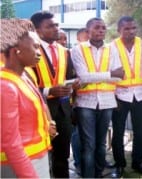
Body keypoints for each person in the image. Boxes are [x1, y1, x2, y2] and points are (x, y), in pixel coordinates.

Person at [0, 18, 54, 178]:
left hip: (37, 156)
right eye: (35, 47)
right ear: (16, 50)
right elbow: (11, 143)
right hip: (21, 165)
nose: (39, 53)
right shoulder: (5, 86)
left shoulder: (23, 75)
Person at [71, 17, 124, 178]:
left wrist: (108, 75)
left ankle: (99, 174)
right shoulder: (78, 49)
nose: (101, 30)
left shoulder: (112, 49)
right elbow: (83, 76)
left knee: (101, 144)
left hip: (107, 101)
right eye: (96, 27)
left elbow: (119, 76)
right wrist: (110, 74)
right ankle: (88, 176)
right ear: (88, 32)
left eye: (103, 27)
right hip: (85, 103)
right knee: (89, 145)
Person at [30, 11, 80, 178]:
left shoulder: (64, 51)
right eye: (50, 26)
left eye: (56, 25)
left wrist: (73, 85)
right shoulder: (29, 51)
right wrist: (48, 91)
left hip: (63, 109)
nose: (56, 28)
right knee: (40, 158)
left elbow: (70, 77)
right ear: (37, 30)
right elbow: (24, 83)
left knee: (63, 155)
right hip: (39, 111)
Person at [110, 16, 142, 178]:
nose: (131, 31)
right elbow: (108, 72)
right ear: (119, 30)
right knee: (118, 132)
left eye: (133, 28)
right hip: (119, 95)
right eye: (127, 28)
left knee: (139, 132)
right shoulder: (111, 47)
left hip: (140, 94)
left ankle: (138, 163)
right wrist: (112, 96)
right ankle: (119, 165)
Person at [70, 27, 89, 176]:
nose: (89, 39)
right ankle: (78, 162)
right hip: (76, 100)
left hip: (93, 100)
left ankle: (89, 162)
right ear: (78, 39)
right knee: (77, 134)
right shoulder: (74, 53)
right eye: (85, 37)